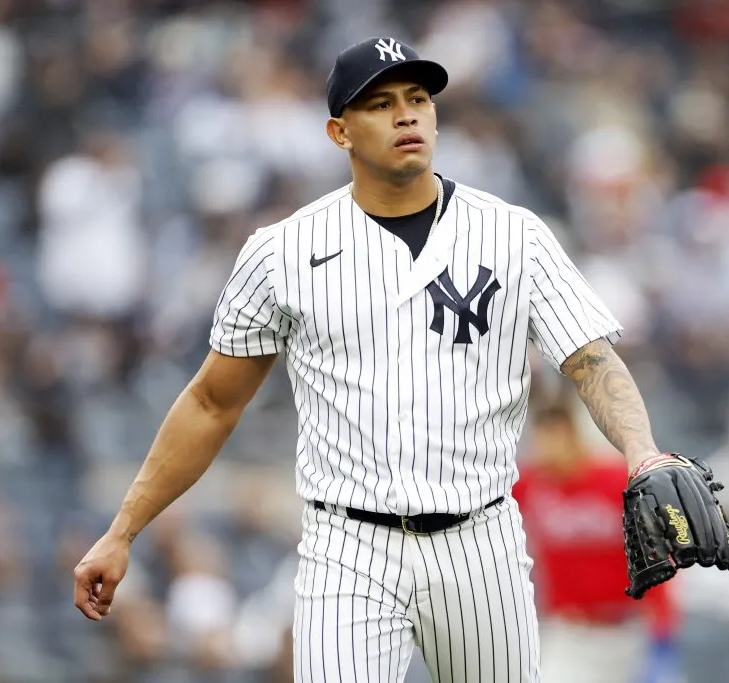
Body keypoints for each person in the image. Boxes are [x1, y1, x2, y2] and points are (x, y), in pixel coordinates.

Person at [73, 36, 684, 681]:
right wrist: (124, 529)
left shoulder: (515, 234)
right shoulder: (281, 252)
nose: (407, 115)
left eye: (419, 98)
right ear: (339, 132)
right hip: (349, 547)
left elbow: (591, 361)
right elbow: (211, 401)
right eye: (382, 103)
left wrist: (641, 451)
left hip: (482, 543)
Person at [514, 391, 681, 683]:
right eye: (542, 432)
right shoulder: (531, 484)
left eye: (556, 431)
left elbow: (654, 557)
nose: (547, 443)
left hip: (629, 631)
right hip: (571, 635)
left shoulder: (616, 482)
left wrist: (663, 636)